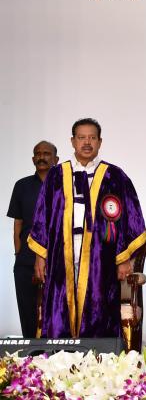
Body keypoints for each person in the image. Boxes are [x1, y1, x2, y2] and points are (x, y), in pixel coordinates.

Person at [28, 119, 146, 338]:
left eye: (92, 138)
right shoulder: (56, 175)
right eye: (81, 137)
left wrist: (123, 257)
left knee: (98, 305)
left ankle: (98, 363)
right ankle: (58, 359)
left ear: (100, 142)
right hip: (60, 253)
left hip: (100, 256)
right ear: (72, 141)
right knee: (59, 305)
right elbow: (41, 217)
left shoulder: (114, 176)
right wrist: (40, 256)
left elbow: (130, 218)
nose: (86, 143)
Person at [7, 141, 59, 337]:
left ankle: (56, 353)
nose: (42, 157)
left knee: (55, 312)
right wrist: (19, 253)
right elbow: (18, 223)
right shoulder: (22, 186)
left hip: (57, 261)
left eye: (46, 153)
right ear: (32, 159)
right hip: (26, 260)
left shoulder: (64, 187)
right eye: (38, 154)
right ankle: (31, 353)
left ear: (56, 159)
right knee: (27, 310)